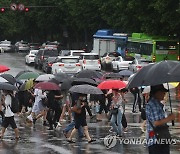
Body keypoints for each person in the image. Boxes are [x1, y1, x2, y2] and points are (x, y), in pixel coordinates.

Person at [146, 84, 175, 154]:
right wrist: (169, 118)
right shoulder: (152, 105)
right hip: (156, 140)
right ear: (157, 92)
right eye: (162, 92)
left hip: (161, 138)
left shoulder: (158, 104)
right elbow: (155, 123)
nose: (164, 94)